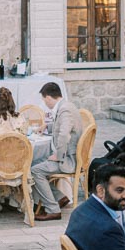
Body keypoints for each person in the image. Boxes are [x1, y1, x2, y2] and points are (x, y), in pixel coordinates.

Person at [32, 82, 83, 222]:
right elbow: (61, 126)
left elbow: (64, 134)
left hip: (68, 159)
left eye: (44, 99)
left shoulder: (64, 110)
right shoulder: (67, 106)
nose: (44, 102)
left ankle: (52, 209)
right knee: (34, 163)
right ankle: (60, 197)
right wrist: (47, 126)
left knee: (34, 171)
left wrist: (58, 156)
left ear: (48, 97)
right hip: (69, 155)